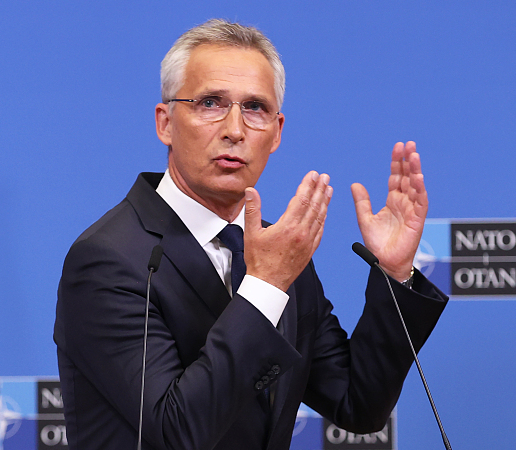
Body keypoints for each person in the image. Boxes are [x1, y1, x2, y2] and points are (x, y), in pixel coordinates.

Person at [54, 19, 448, 450]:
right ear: (165, 123)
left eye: (255, 108)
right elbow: (172, 433)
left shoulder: (277, 252)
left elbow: (357, 404)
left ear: (277, 132)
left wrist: (395, 274)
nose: (235, 130)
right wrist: (264, 287)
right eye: (210, 103)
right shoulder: (109, 259)